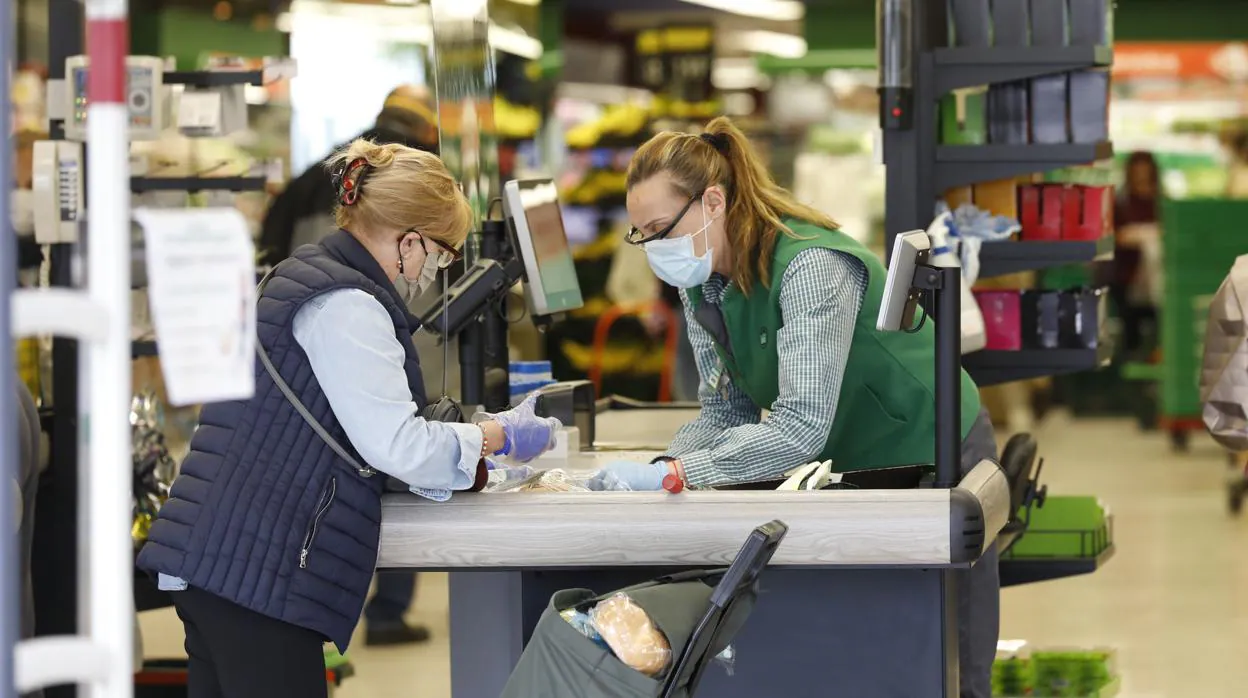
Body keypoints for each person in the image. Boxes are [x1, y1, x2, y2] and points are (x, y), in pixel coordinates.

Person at [591, 116, 999, 697]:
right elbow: (725, 409)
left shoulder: (811, 268)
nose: (655, 249)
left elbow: (801, 427)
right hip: (855, 461)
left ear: (712, 202)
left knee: (947, 661)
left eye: (660, 229)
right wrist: (661, 470)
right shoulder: (703, 282)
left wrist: (683, 475)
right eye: (642, 235)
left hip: (933, 446)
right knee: (873, 653)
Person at [136, 139, 560, 698]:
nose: (437, 268)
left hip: (224, 556)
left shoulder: (310, 273)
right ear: (409, 241)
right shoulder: (347, 304)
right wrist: (494, 435)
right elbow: (396, 443)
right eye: (441, 252)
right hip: (259, 568)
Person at [260, 84, 442, 645]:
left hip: (299, 370)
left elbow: (268, 240)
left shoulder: (331, 172)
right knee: (392, 452)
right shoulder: (418, 184)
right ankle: (387, 608)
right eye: (439, 252)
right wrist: (478, 439)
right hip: (375, 339)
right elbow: (401, 448)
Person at [258, 84, 439, 262]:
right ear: (431, 132)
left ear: (380, 117)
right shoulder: (430, 184)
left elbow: (270, 251)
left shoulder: (315, 177)